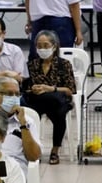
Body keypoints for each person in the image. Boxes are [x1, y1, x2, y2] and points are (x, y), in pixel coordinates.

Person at [23, 31, 76, 165]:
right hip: (37, 100)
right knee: (31, 113)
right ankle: (34, 149)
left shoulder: (64, 64)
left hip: (59, 100)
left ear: (54, 46)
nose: (42, 49)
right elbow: (26, 87)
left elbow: (70, 90)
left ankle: (55, 150)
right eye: (39, 46)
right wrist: (34, 89)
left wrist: (51, 88)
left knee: (59, 112)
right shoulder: (32, 65)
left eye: (46, 45)